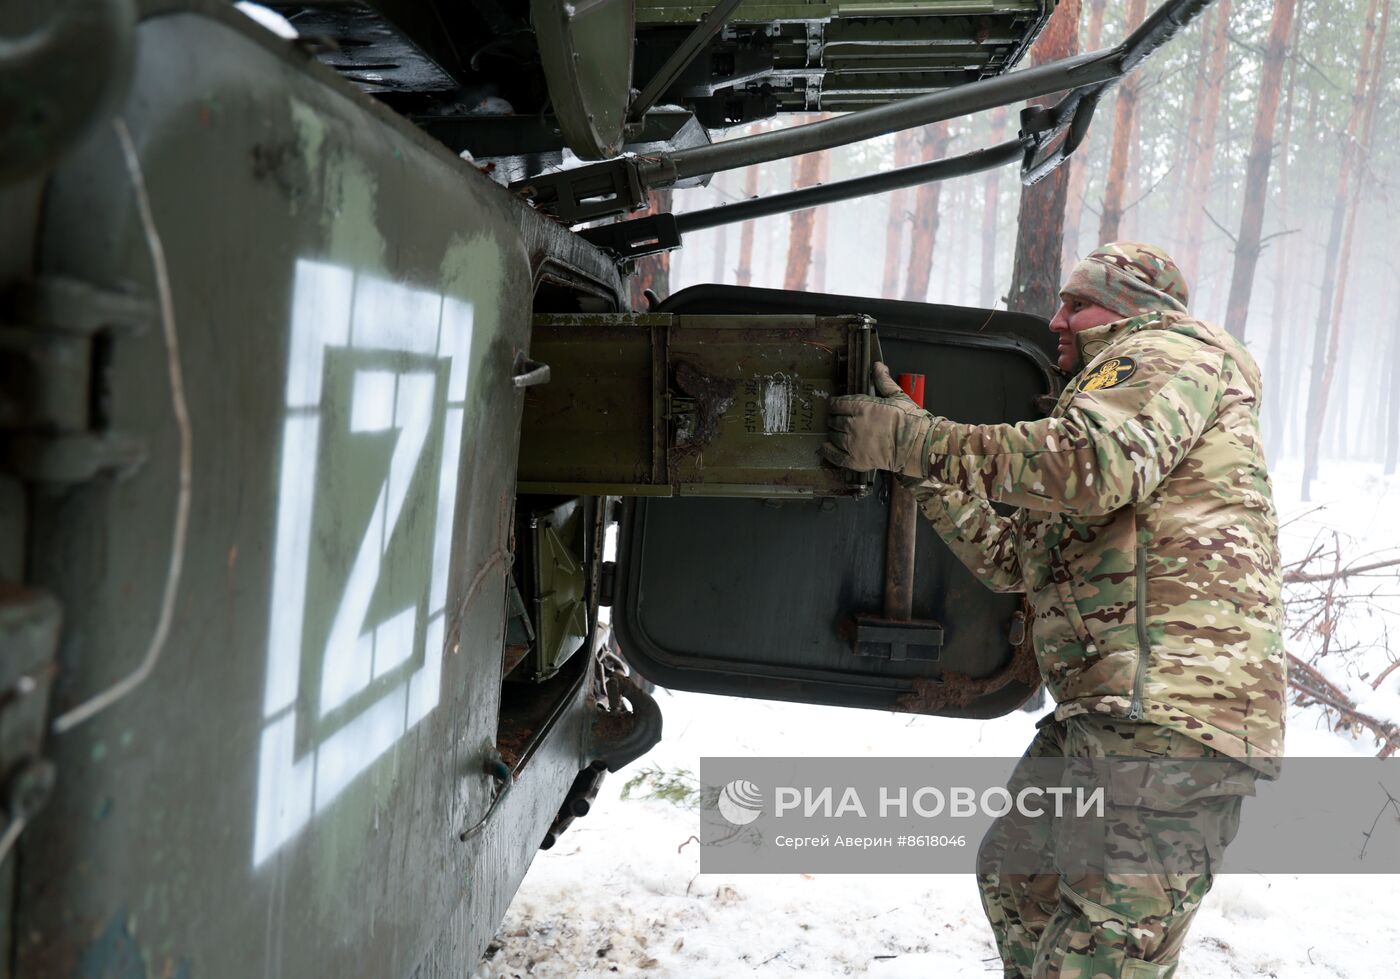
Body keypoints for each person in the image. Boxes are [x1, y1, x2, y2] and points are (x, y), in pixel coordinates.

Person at [821, 242, 1285, 978]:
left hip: (1173, 714)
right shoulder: (1106, 403)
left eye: (1079, 303)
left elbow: (1092, 465)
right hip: (1115, 708)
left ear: (1132, 309)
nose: (1057, 319)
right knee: (1018, 875)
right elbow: (1016, 559)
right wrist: (913, 459)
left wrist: (922, 440)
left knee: (1102, 951)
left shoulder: (1167, 353)